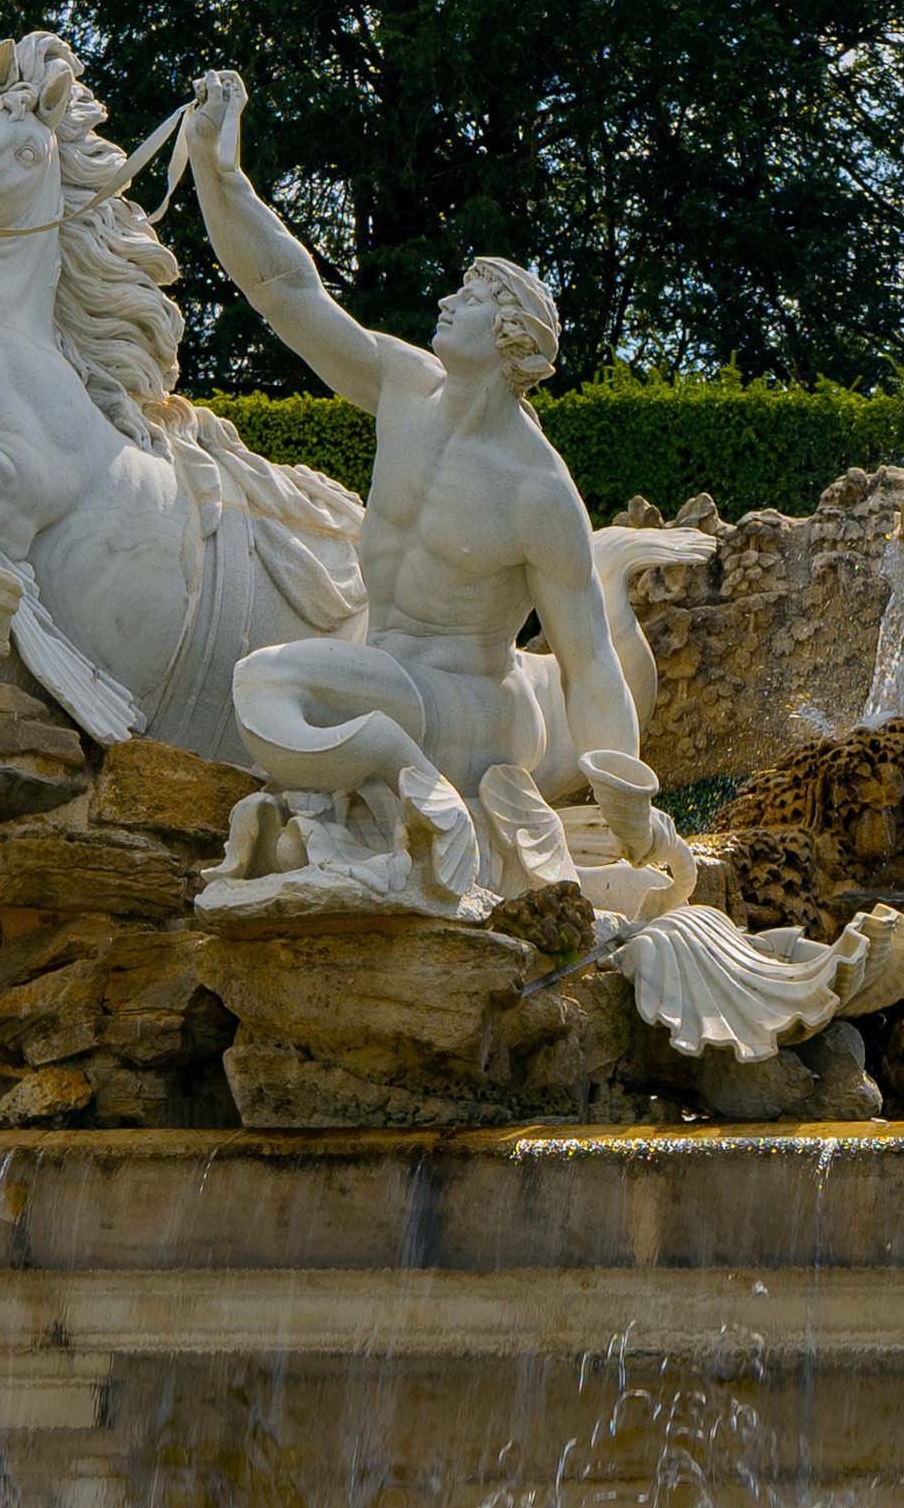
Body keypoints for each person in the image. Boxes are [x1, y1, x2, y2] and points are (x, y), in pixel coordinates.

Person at [175, 70, 657, 909]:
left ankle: (421, 800)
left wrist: (633, 812)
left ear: (511, 336)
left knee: (265, 682)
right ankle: (384, 793)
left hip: (472, 708)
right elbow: (286, 292)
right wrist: (222, 172)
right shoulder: (404, 386)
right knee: (274, 686)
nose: (444, 297)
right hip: (390, 671)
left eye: (469, 296)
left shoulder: (537, 490)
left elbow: (590, 665)